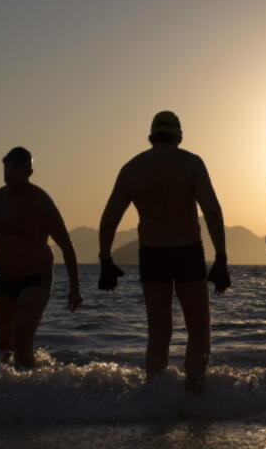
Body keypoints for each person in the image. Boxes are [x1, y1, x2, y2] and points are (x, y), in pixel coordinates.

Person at [98, 111, 230, 393]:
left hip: (152, 254)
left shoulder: (132, 168)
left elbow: (109, 218)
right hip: (187, 252)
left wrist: (105, 259)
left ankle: (156, 398)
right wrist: (221, 257)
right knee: (198, 331)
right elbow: (212, 210)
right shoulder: (191, 163)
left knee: (158, 333)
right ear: (179, 135)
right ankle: (194, 392)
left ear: (151, 135)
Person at [0, 147, 82, 368]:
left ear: (29, 171)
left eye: (15, 166)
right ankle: (9, 396)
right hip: (6, 281)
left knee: (21, 338)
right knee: (3, 348)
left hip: (36, 277)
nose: (9, 171)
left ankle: (33, 394)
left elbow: (66, 244)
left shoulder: (40, 201)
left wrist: (75, 288)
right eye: (6, 166)